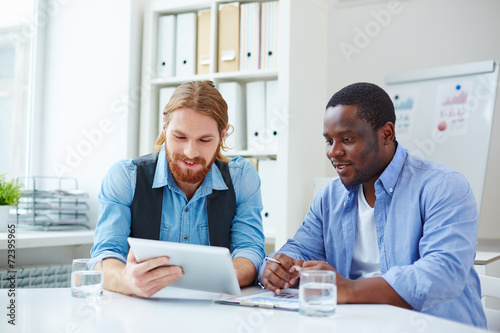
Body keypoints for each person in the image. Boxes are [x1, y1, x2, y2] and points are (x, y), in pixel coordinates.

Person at [259, 82, 486, 328]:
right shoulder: (329, 198)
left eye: (347, 139)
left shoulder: (443, 187)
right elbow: (298, 250)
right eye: (329, 141)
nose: (333, 152)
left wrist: (348, 289)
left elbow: (442, 275)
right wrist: (275, 268)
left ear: (386, 134)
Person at [91, 80, 265, 298]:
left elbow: (251, 251)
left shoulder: (242, 178)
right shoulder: (126, 177)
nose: (190, 153)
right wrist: (126, 280)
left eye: (204, 140)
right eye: (180, 137)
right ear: (164, 126)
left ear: (223, 134)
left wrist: (211, 278)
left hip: (216, 313)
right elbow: (104, 257)